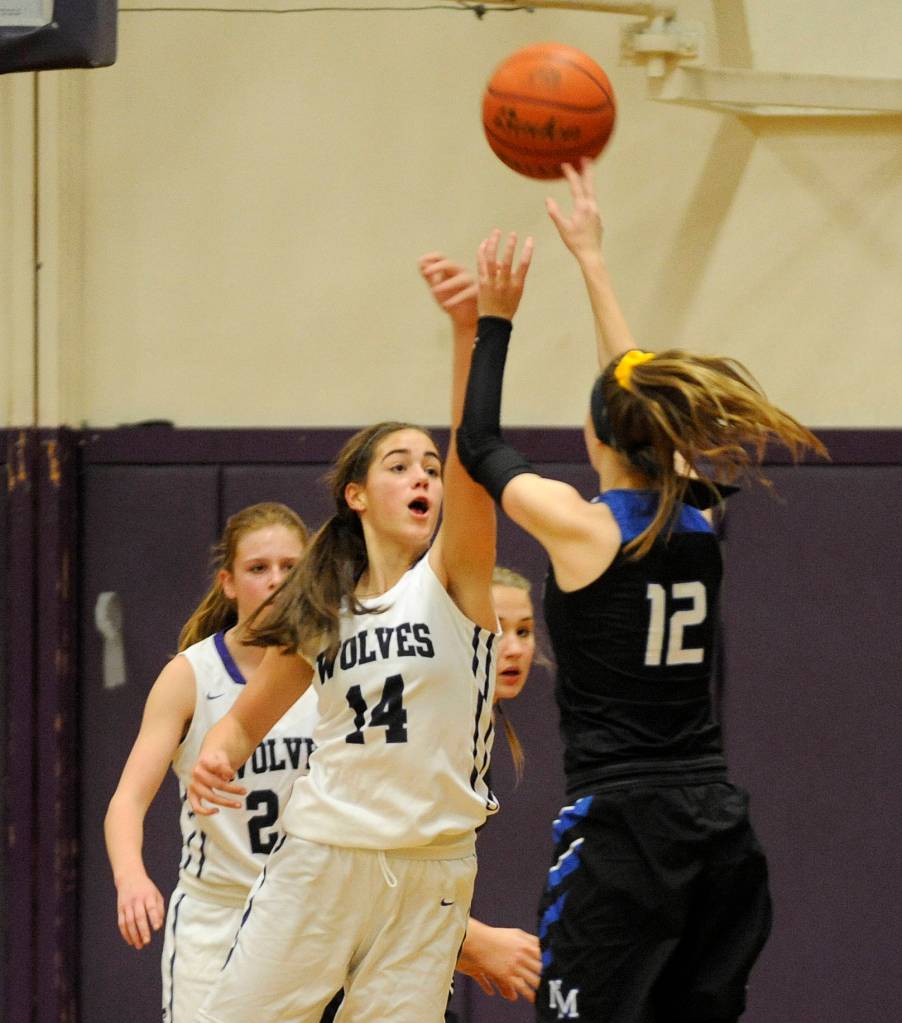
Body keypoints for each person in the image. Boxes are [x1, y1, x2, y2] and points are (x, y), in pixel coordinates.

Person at [456, 160, 828, 1022]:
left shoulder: (582, 527)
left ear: (596, 437)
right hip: (716, 826)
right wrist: (593, 260)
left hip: (626, 829)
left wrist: (494, 321)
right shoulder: (696, 511)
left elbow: (477, 443)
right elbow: (631, 386)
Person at [186, 229, 533, 1023]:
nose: (422, 476)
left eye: (429, 467)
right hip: (323, 857)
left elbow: (474, 454)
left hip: (434, 869)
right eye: (399, 465)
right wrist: (217, 754)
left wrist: (475, 332)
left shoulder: (454, 582)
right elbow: (241, 725)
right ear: (356, 494)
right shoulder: (324, 610)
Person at [104, 502, 324, 1023]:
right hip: (219, 911)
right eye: (258, 568)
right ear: (228, 582)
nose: (275, 580)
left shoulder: (330, 667)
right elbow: (127, 801)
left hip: (310, 914)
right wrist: (131, 877)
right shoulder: (191, 675)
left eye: (290, 567)